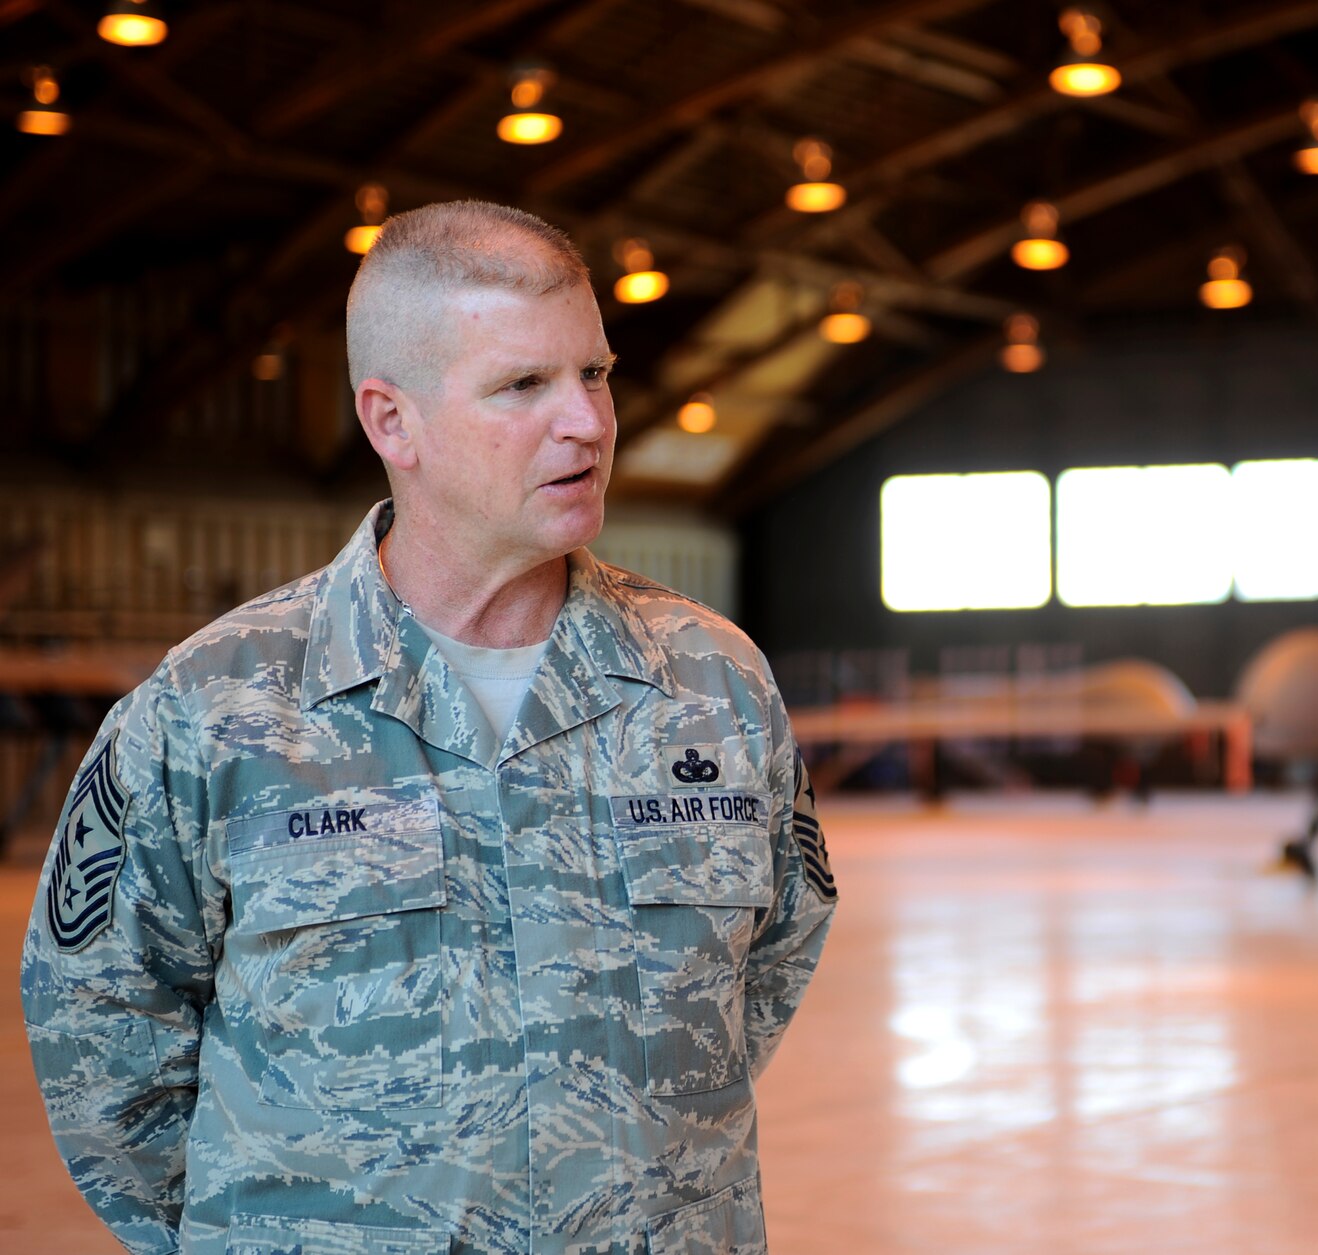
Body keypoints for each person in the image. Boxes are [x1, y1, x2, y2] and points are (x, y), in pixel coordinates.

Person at [22, 201, 837, 1254]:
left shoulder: (708, 680)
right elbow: (101, 1036)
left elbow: (762, 970)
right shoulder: (219, 705)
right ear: (391, 421)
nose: (587, 422)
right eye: (522, 385)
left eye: (593, 373)